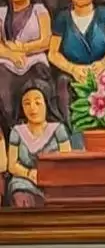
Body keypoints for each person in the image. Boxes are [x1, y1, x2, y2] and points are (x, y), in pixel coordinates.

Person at [0, 0, 51, 127]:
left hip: (35, 61)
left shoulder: (39, 10)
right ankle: (12, 129)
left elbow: (46, 41)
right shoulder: (2, 13)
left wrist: (23, 49)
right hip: (8, 62)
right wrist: (12, 55)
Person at [6, 79, 69, 207]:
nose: (32, 108)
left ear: (47, 104)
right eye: (27, 103)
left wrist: (47, 176)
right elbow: (12, 165)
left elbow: (66, 161)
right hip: (24, 181)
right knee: (21, 195)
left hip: (53, 180)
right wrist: (29, 174)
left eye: (38, 103)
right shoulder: (17, 132)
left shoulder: (58, 129)